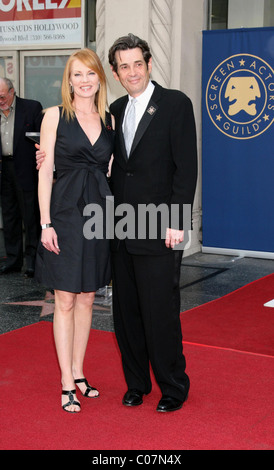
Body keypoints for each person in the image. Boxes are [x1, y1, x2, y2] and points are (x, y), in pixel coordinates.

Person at [108, 34, 197, 412]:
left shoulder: (175, 103)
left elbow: (186, 167)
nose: (132, 72)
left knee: (160, 310)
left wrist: (179, 220)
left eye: (137, 63)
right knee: (126, 313)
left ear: (148, 64)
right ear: (115, 72)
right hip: (120, 227)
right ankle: (137, 384)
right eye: (123, 66)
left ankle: (173, 387)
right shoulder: (113, 108)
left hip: (161, 227)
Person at [35, 49, 114, 413]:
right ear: (69, 80)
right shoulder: (54, 116)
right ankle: (66, 381)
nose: (84, 81)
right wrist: (45, 222)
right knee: (64, 299)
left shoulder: (109, 118)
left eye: (91, 74)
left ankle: (80, 372)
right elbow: (44, 171)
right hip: (64, 216)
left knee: (86, 297)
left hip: (99, 215)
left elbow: (112, 170)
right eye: (77, 75)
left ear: (100, 77)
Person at [0, 77, 43, 277]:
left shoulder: (32, 108)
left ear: (12, 91)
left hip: (26, 171)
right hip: (4, 171)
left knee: (31, 218)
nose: (0, 101)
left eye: (2, 96)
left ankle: (32, 261)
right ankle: (13, 260)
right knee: (9, 218)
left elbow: (42, 139)